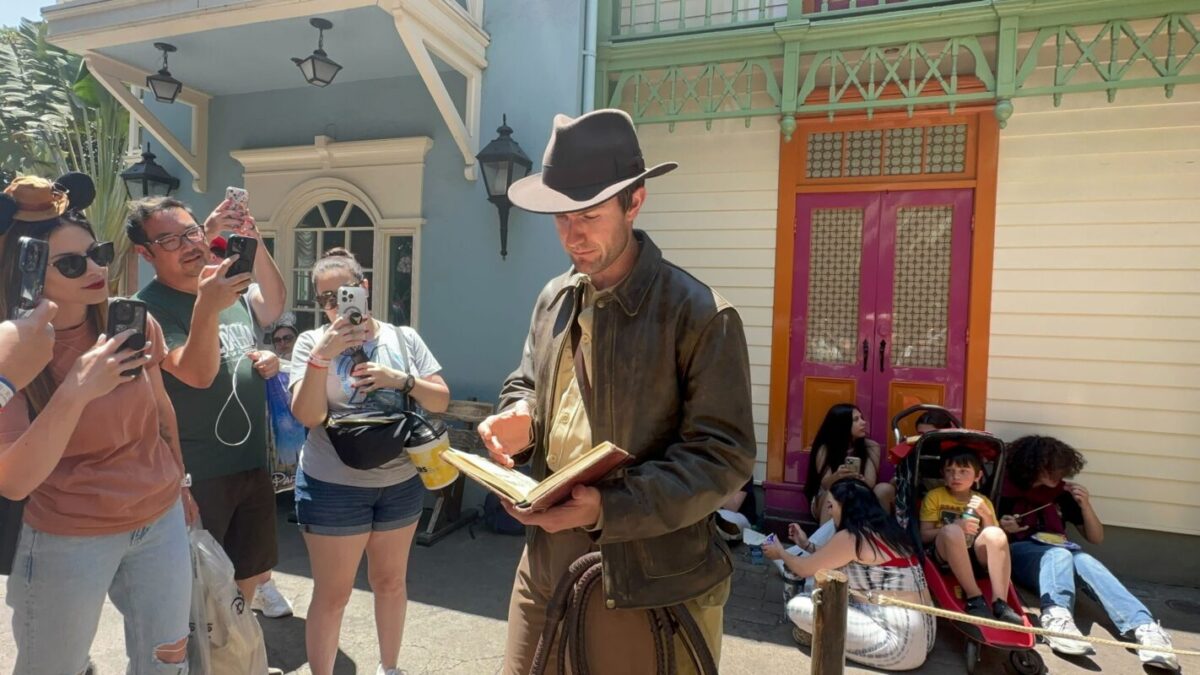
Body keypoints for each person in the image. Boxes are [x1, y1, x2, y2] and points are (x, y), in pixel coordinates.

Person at [477, 108, 756, 674]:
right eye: (561, 217)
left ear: (635, 202)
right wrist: (518, 416)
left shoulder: (701, 315)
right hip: (545, 566)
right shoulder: (553, 298)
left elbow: (723, 458)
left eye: (589, 215)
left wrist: (609, 507)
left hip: (648, 582)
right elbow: (527, 382)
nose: (573, 235)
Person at [0, 174, 197, 673]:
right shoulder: (14, 351)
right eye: (71, 264)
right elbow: (15, 481)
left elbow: (160, 410)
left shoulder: (131, 323)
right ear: (26, 273)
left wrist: (181, 484)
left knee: (166, 663)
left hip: (159, 521)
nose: (94, 269)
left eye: (99, 254)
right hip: (69, 533)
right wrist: (77, 388)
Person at [289, 248, 449, 675]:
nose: (334, 305)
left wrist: (401, 380)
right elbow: (309, 416)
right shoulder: (310, 342)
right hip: (333, 485)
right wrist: (322, 356)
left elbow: (440, 400)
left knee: (391, 582)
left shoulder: (403, 338)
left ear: (363, 288)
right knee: (333, 594)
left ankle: (389, 668)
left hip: (399, 482)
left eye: (342, 293)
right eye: (324, 299)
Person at [127, 195, 287, 608]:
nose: (188, 245)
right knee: (196, 598)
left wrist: (255, 241)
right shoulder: (148, 308)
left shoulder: (224, 289)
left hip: (251, 463)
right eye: (169, 240)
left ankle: (236, 648)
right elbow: (197, 374)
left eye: (192, 233)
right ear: (145, 253)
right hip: (197, 477)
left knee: (246, 581)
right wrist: (207, 306)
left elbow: (272, 305)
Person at [999, 435, 1178, 669]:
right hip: (1020, 554)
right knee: (1059, 554)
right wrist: (1003, 527)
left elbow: (1096, 537)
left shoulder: (1061, 494)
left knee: (1086, 561)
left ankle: (1145, 628)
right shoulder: (1005, 489)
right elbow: (987, 533)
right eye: (1051, 467)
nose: (1058, 473)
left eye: (1061, 467)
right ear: (1031, 465)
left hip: (1061, 556)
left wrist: (1085, 505)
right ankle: (1056, 618)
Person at [765, 478, 935, 671]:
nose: (829, 512)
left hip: (898, 648)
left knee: (798, 606)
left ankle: (820, 637)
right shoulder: (888, 531)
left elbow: (804, 569)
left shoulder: (852, 537)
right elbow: (834, 558)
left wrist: (780, 552)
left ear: (846, 507)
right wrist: (806, 545)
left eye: (831, 506)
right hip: (925, 637)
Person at [919, 447, 1023, 624]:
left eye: (963, 471)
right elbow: (924, 535)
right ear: (943, 474)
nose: (955, 476)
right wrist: (956, 525)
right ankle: (974, 596)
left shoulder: (982, 501)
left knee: (996, 533)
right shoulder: (935, 496)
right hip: (944, 555)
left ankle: (1000, 602)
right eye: (950, 471)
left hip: (975, 557)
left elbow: (993, 541)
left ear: (978, 476)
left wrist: (987, 515)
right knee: (952, 531)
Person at [803, 403, 884, 524]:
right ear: (843, 425)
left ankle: (877, 533)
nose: (863, 422)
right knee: (832, 495)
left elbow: (871, 483)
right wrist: (838, 476)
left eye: (862, 418)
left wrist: (860, 480)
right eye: (856, 420)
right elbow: (825, 485)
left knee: (883, 489)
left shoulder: (871, 447)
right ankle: (826, 536)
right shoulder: (825, 448)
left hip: (859, 495)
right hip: (828, 497)